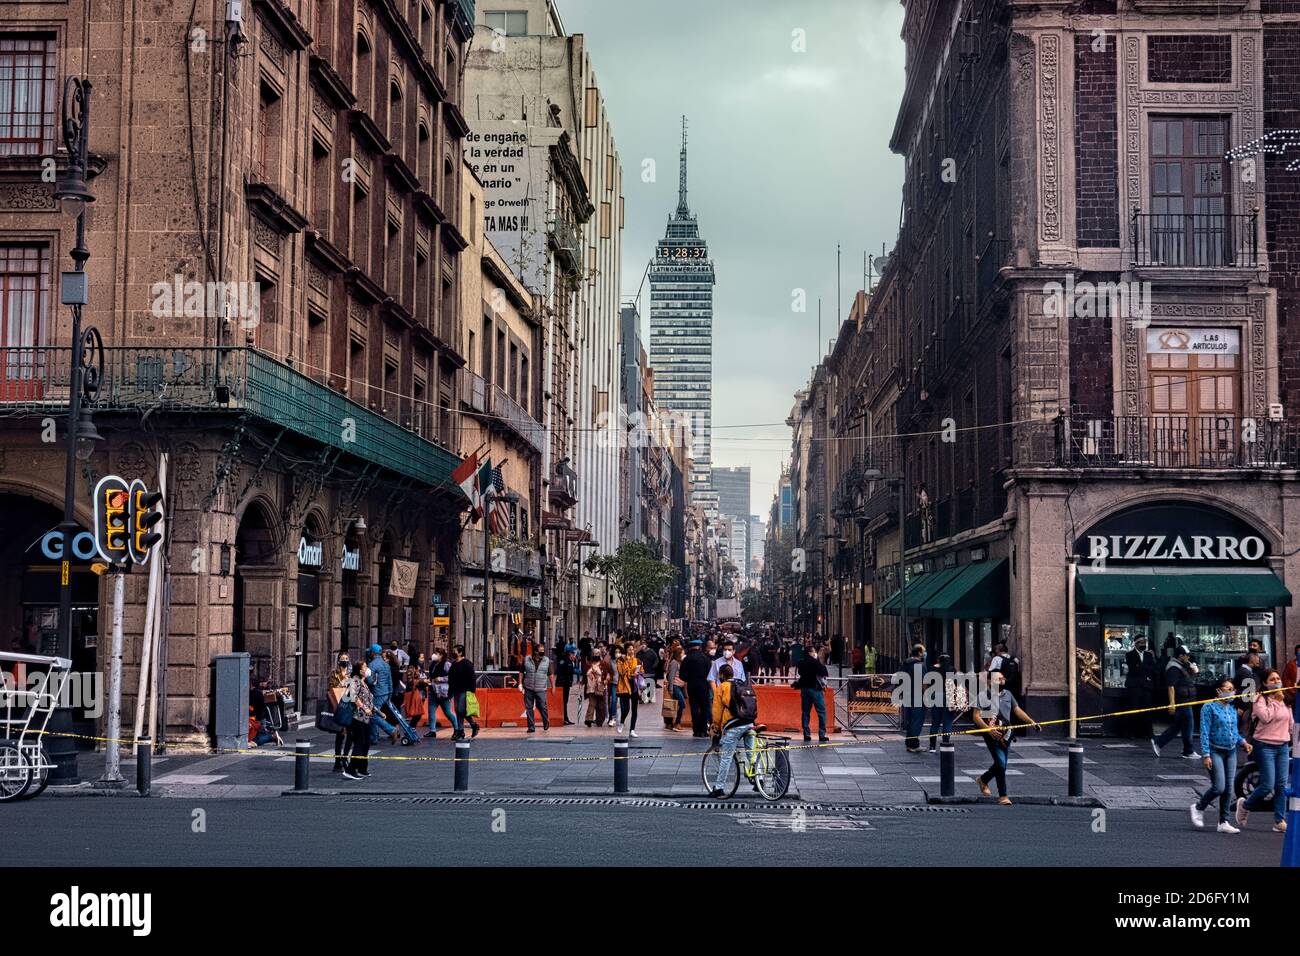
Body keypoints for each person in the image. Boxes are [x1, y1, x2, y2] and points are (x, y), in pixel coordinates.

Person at [1235, 670, 1295, 833]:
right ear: (1265, 683)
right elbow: (1266, 717)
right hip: (1264, 745)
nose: (1276, 681)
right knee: (1267, 785)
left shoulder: (1285, 699)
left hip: (1282, 745)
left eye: (1277, 678)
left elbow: (1290, 723)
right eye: (1272, 679)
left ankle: (1279, 820)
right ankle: (1245, 805)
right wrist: (1276, 701)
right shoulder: (1260, 699)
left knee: (1281, 785)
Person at [1190, 678, 1252, 833]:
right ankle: (1198, 807)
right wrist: (1206, 755)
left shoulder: (1231, 708)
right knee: (1219, 787)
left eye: (1232, 689)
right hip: (1214, 750)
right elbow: (1204, 732)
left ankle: (1223, 821)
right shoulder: (1208, 707)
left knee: (1229, 789)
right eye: (1227, 689)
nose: (1231, 692)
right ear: (1218, 691)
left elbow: (1234, 732)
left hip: (1231, 751)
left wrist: (1243, 742)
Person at [970, 669, 1039, 805]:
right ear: (989, 681)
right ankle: (1003, 796)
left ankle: (983, 780)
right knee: (1001, 764)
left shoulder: (1008, 694)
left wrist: (1031, 722)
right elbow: (976, 717)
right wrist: (988, 730)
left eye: (1002, 678)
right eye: (998, 679)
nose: (1001, 681)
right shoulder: (983, 696)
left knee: (1001, 764)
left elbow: (1017, 710)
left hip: (1006, 734)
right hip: (991, 733)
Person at [709, 663, 757, 798]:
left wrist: (715, 726)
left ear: (722, 675)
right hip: (749, 723)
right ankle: (758, 781)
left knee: (726, 758)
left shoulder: (722, 687)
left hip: (733, 725)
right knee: (751, 753)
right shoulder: (742, 684)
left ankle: (719, 788)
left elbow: (717, 711)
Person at [1152, 645, 1200, 759]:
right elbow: (1171, 686)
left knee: (1179, 725)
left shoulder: (1182, 665)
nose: (1188, 657)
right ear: (1180, 656)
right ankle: (1188, 750)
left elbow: (1189, 681)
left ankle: (1160, 743)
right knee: (1188, 724)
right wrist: (1172, 703)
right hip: (1181, 700)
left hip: (1185, 699)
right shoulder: (1173, 667)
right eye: (1186, 655)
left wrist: (1195, 672)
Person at [340, 661, 375, 780]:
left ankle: (362, 769)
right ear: (360, 670)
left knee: (366, 743)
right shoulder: (355, 680)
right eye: (365, 666)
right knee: (360, 743)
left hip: (365, 718)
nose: (367, 668)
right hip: (357, 717)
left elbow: (367, 699)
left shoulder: (363, 682)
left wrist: (377, 711)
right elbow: (352, 696)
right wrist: (365, 708)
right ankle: (350, 770)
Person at [795, 641, 830, 743]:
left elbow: (800, 672)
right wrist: (818, 660)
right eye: (814, 651)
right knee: (821, 712)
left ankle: (806, 733)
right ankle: (822, 734)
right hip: (815, 690)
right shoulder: (815, 662)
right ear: (810, 652)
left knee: (806, 712)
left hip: (804, 690)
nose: (815, 653)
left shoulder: (801, 663)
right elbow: (823, 672)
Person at [1124, 637, 1158, 739]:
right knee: (1133, 709)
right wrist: (1144, 670)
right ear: (1136, 644)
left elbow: (1153, 668)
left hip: (1146, 686)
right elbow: (1133, 669)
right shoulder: (1130, 655)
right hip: (1134, 686)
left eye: (1145, 642)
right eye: (1141, 643)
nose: (1144, 644)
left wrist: (1143, 667)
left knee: (1147, 710)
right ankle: (1132, 733)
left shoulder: (1148, 655)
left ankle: (1148, 733)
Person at [681, 640, 713, 737]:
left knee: (694, 708)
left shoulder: (687, 659)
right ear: (699, 647)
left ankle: (696, 730)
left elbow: (682, 675)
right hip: (704, 687)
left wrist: (689, 679)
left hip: (692, 687)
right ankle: (703, 730)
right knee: (704, 708)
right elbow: (710, 674)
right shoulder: (705, 658)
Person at [926, 652, 957, 752]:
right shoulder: (952, 669)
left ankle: (932, 746)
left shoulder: (932, 669)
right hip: (948, 696)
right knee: (947, 722)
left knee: (935, 722)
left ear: (939, 660)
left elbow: (926, 683)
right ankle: (945, 745)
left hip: (935, 695)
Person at [423, 647, 457, 738]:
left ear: (441, 655)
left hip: (443, 692)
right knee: (431, 711)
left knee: (447, 712)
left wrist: (441, 679)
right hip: (433, 691)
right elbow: (432, 676)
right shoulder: (433, 664)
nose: (434, 655)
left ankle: (457, 729)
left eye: (436, 653)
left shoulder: (447, 664)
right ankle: (432, 730)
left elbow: (452, 677)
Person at [900, 644, 928, 752]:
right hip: (917, 696)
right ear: (920, 652)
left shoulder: (905, 663)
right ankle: (914, 745)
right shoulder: (920, 665)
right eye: (924, 651)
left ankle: (909, 743)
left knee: (910, 720)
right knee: (917, 720)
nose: (925, 653)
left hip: (907, 695)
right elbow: (923, 683)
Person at [327, 652, 352, 771]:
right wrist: (342, 682)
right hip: (339, 705)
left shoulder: (351, 673)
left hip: (349, 705)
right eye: (342, 659)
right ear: (338, 661)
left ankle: (345, 756)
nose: (345, 661)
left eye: (346, 659)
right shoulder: (334, 673)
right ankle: (338, 760)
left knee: (350, 734)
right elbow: (331, 688)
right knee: (340, 734)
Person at [448, 644, 479, 740]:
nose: (453, 653)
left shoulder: (467, 664)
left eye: (455, 651)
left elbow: (472, 678)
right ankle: (462, 730)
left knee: (461, 710)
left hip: (465, 690)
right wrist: (450, 692)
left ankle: (468, 727)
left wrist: (472, 691)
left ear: (460, 652)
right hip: (456, 691)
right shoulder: (454, 664)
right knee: (458, 711)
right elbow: (451, 679)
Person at [521, 643, 551, 733]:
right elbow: (521, 671)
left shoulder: (547, 660)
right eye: (540, 652)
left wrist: (553, 686)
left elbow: (551, 674)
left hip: (541, 688)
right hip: (529, 687)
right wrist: (519, 683)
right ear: (535, 652)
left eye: (543, 652)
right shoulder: (527, 659)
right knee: (529, 707)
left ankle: (546, 721)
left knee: (542, 706)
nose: (542, 654)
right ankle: (531, 726)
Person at [615, 643, 643, 737]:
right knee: (626, 709)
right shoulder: (620, 660)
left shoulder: (638, 660)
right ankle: (622, 722)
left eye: (632, 649)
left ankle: (632, 729)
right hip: (625, 686)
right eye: (629, 649)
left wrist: (637, 673)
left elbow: (642, 672)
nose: (631, 651)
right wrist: (626, 661)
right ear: (626, 650)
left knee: (635, 709)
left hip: (634, 685)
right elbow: (621, 672)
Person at [665, 645, 687, 731]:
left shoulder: (679, 662)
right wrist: (671, 689)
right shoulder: (674, 663)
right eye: (683, 653)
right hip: (675, 686)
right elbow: (671, 676)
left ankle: (670, 723)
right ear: (679, 654)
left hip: (679, 686)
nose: (684, 655)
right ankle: (676, 723)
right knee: (682, 704)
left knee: (675, 705)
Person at [584, 652, 609, 727]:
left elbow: (609, 673)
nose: (595, 656)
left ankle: (599, 720)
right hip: (591, 688)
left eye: (597, 654)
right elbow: (584, 675)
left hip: (600, 687)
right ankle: (588, 719)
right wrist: (582, 682)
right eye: (594, 654)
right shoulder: (588, 665)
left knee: (601, 705)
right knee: (592, 703)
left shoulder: (604, 664)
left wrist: (607, 679)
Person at [556, 648, 578, 726]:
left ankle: (565, 718)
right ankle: (564, 719)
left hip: (566, 685)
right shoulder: (566, 662)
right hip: (563, 685)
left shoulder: (569, 662)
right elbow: (563, 673)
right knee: (563, 702)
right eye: (574, 655)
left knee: (565, 702)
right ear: (570, 655)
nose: (575, 656)